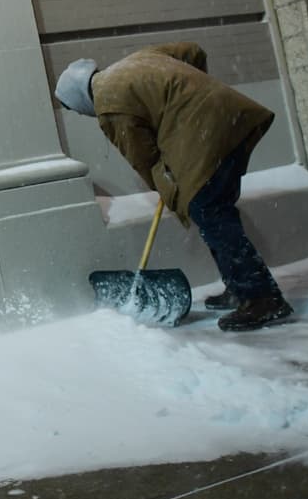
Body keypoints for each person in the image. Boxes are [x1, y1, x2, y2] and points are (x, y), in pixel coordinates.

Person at [54, 42, 293, 332]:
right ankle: (242, 286)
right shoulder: (137, 61)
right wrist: (192, 94)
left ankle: (262, 298)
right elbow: (193, 52)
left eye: (78, 111)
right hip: (231, 118)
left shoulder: (109, 107)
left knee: (211, 214)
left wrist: (169, 189)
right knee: (217, 214)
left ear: (80, 100)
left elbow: (145, 159)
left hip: (205, 138)